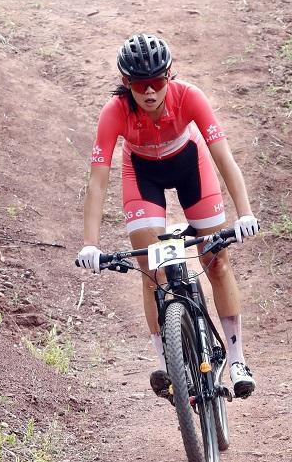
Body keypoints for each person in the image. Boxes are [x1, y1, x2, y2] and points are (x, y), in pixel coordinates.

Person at [76, 33, 259, 401]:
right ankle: (166, 362)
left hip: (190, 165)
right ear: (126, 83)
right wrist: (91, 245)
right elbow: (97, 182)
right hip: (142, 174)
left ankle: (237, 359)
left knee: (216, 261)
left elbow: (224, 159)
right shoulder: (114, 112)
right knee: (150, 270)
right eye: (140, 85)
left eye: (157, 82)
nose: (149, 92)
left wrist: (245, 214)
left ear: (169, 76)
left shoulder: (190, 97)